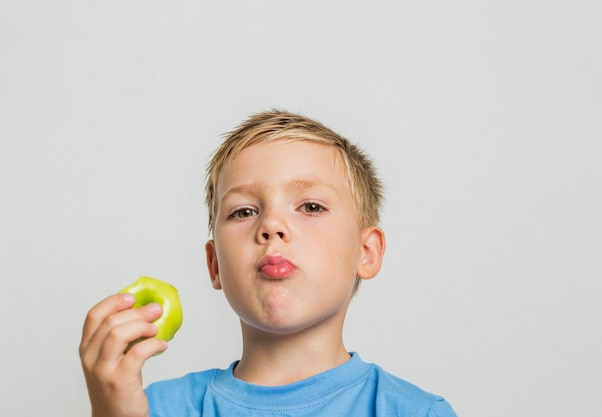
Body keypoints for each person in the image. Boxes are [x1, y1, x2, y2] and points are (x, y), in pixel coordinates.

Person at [79, 110, 458, 417]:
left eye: (311, 207)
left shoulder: (416, 412)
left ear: (367, 251)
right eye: (244, 211)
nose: (271, 225)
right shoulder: (150, 409)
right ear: (214, 265)